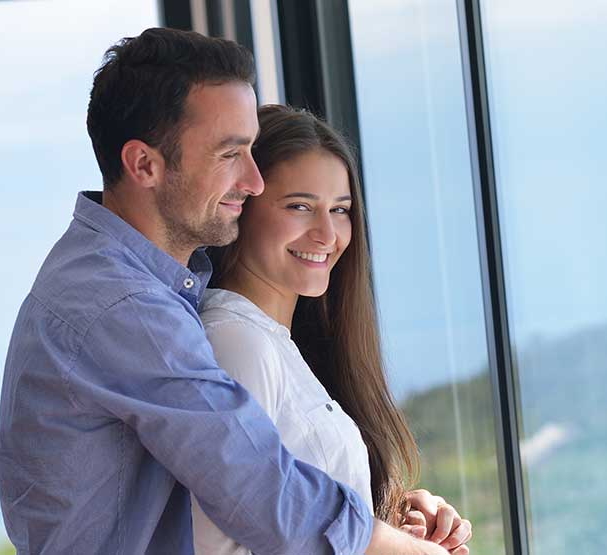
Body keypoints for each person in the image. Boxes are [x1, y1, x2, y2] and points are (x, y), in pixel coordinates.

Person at [0, 28, 449, 554]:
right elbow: (257, 487)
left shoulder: (136, 284)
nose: (254, 181)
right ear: (144, 164)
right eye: (230, 154)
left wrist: (387, 522)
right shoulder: (127, 307)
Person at [190, 105, 474, 554]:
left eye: (340, 210)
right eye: (300, 206)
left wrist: (391, 519)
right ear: (241, 206)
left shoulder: (281, 344)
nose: (327, 234)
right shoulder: (236, 342)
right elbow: (215, 546)